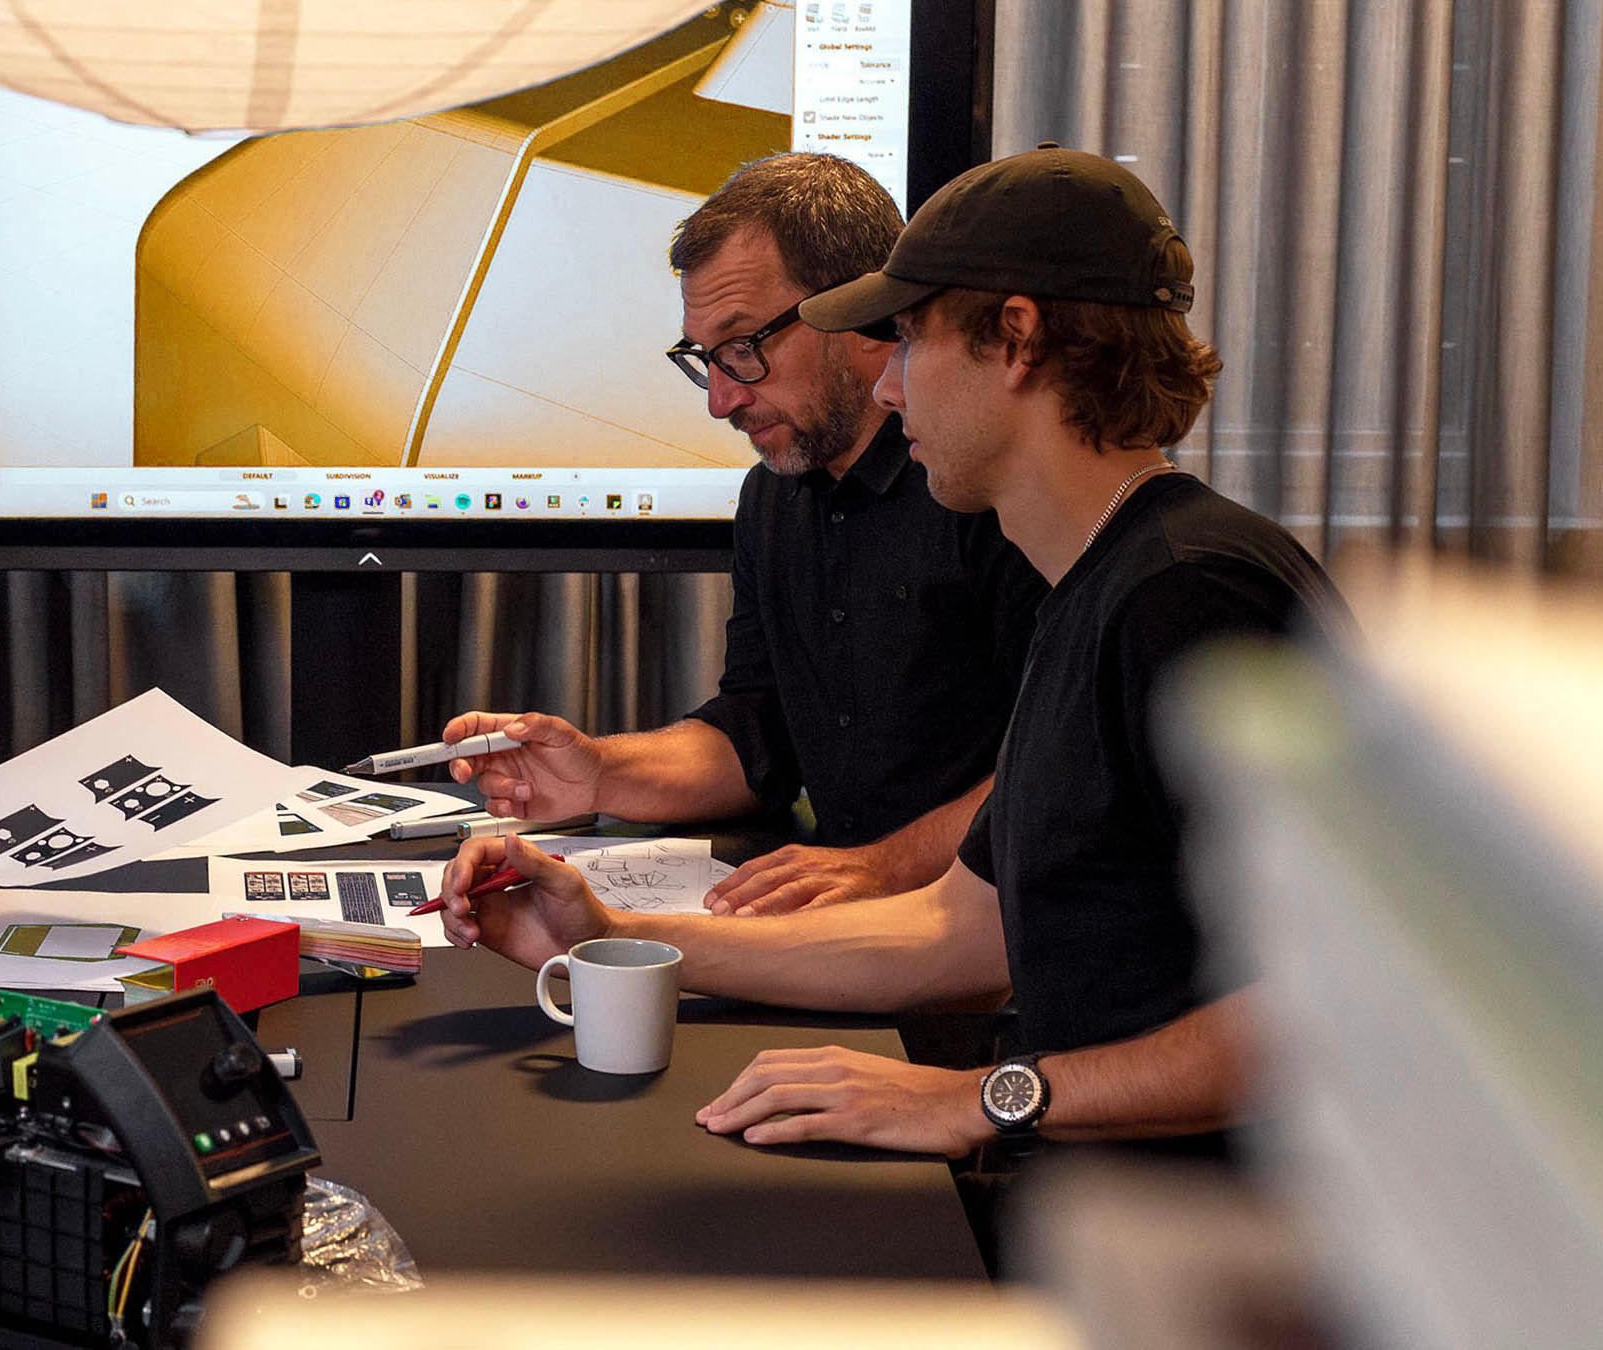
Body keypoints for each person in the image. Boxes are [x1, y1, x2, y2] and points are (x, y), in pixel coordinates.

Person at [442, 146, 1343, 1158]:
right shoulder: (1093, 584)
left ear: (1015, 340)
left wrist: (979, 1098)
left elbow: (1331, 1010)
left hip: (1171, 1238)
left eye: (908, 340)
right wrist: (602, 930)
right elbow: (950, 933)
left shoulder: (1189, 592)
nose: (892, 387)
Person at [446, 152, 1043, 916]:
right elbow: (756, 731)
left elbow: (1055, 764)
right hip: (846, 915)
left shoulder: (976, 487)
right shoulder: (773, 498)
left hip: (981, 925)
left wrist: (878, 867)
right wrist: (596, 770)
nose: (721, 400)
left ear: (858, 312)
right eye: (705, 359)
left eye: (742, 349)